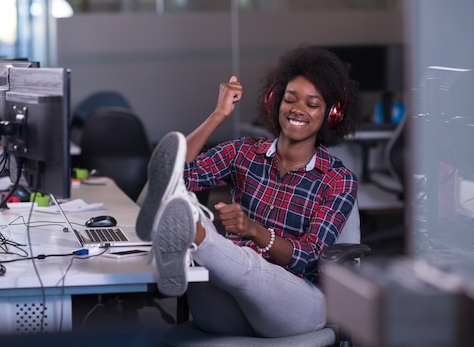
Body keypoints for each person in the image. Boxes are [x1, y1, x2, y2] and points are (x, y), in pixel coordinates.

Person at [136, 46, 363, 338]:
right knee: (179, 197)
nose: (297, 109)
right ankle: (191, 231)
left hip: (294, 309)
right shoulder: (244, 152)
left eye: (312, 104)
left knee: (246, 262)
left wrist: (254, 231)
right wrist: (218, 115)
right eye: (290, 99)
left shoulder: (338, 179)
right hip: (230, 304)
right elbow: (174, 177)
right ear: (275, 101)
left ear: (331, 114)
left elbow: (309, 257)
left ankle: (195, 237)